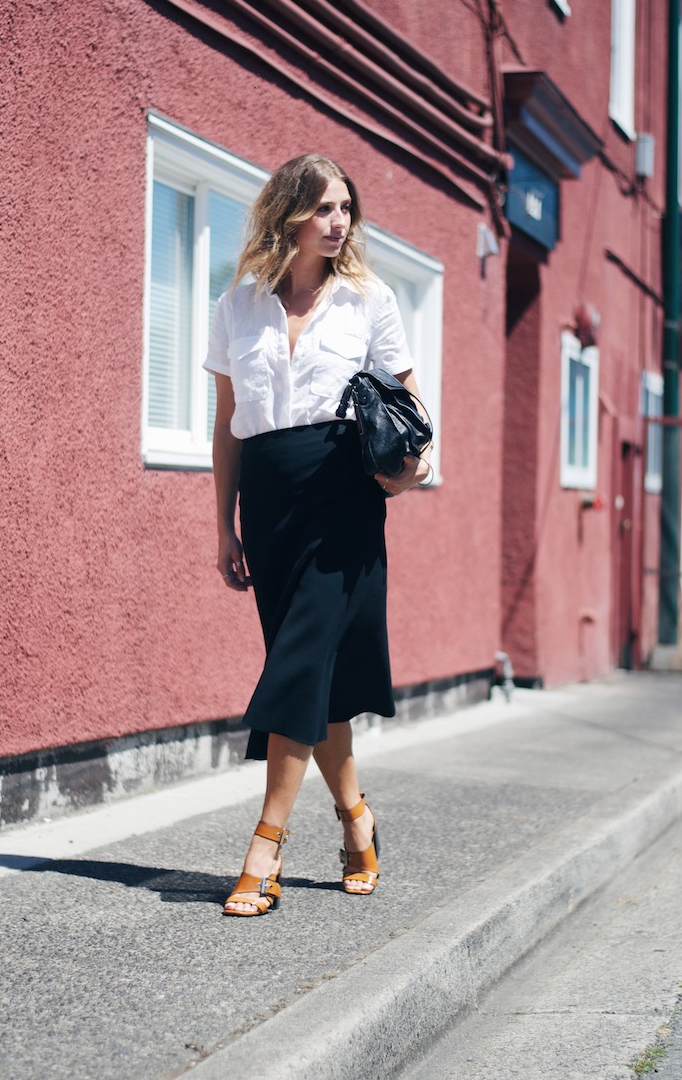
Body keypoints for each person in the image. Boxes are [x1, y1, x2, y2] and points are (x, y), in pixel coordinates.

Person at [204, 154, 432, 917]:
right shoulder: (235, 306)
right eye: (325, 207)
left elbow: (409, 411)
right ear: (290, 212)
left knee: (299, 663)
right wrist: (222, 523)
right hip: (268, 500)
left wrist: (407, 474)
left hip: (342, 497)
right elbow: (227, 428)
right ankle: (357, 820)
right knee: (316, 680)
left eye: (347, 209)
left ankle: (264, 847)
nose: (340, 222)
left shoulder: (370, 301)